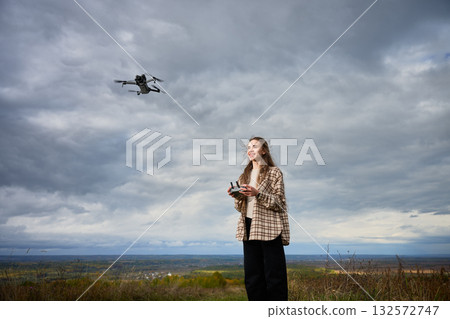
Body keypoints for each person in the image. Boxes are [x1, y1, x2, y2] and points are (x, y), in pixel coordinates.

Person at [227, 137, 290, 301]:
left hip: (269, 228)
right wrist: (237, 196)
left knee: (274, 277)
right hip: (248, 228)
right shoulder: (244, 176)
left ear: (264, 150)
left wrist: (258, 194)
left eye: (254, 146)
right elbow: (238, 207)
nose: (250, 149)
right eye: (248, 147)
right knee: (253, 278)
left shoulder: (274, 172)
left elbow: (280, 202)